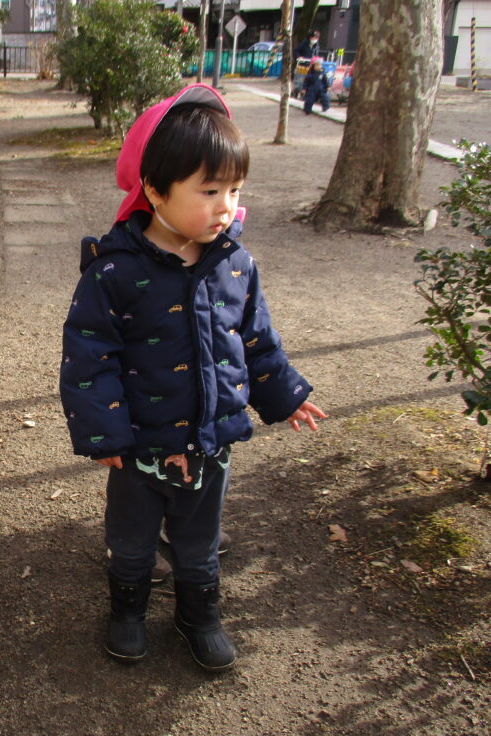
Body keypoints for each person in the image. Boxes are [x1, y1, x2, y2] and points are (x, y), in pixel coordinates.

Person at [60, 84, 325, 671]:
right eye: (209, 191)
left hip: (210, 441)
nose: (225, 206)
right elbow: (89, 357)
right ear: (155, 190)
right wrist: (104, 433)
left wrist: (285, 394)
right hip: (139, 447)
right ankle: (127, 610)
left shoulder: (235, 263)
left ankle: (198, 616)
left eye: (234, 190)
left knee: (199, 541)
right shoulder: (114, 272)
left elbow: (255, 341)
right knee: (132, 540)